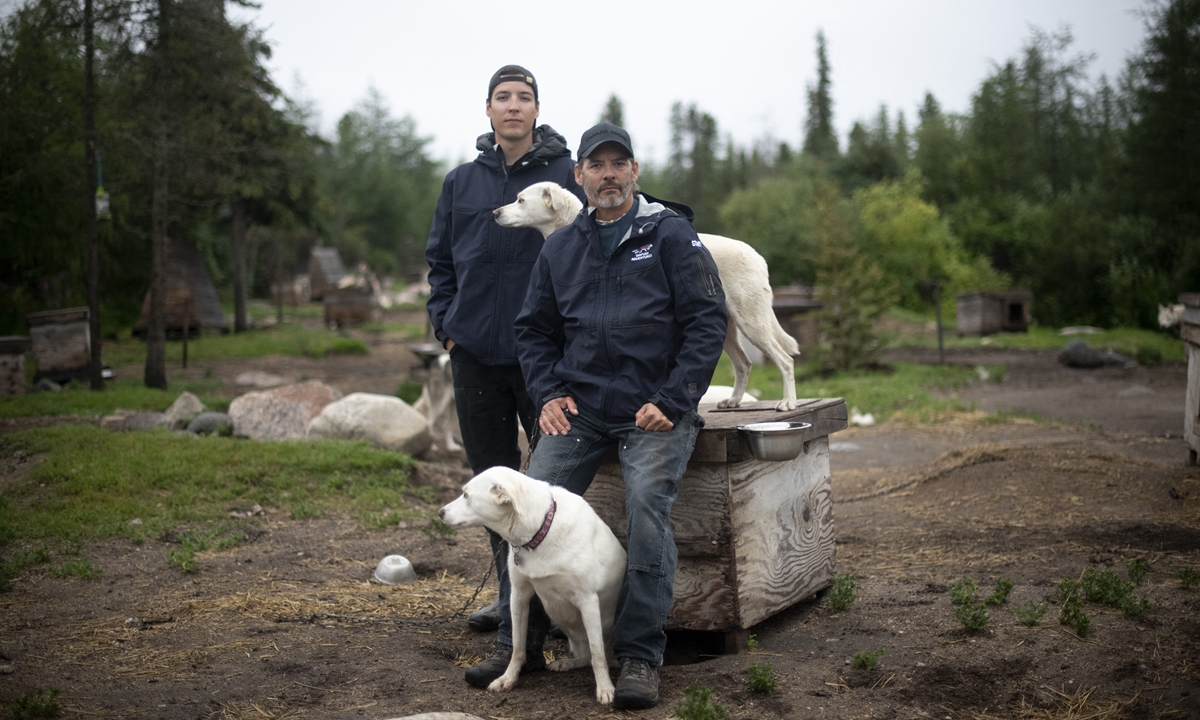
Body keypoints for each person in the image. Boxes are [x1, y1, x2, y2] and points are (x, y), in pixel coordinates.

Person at [506, 122, 727, 709]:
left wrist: (673, 400)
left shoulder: (671, 235)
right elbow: (533, 330)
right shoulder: (561, 246)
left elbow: (707, 321)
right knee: (529, 503)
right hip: (579, 410)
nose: (608, 175)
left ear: (634, 171)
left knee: (647, 507)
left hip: (653, 409)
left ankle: (638, 655)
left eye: (618, 163)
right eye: (596, 165)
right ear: (578, 175)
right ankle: (519, 645)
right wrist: (548, 394)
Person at [425, 66, 584, 638]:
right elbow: (440, 261)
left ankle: (560, 602)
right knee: (491, 481)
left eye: (524, 97)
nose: (513, 106)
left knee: (551, 482)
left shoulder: (566, 175)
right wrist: (447, 328)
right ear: (488, 109)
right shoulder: (461, 182)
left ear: (537, 109)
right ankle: (508, 598)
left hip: (543, 358)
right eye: (503, 97)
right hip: (474, 353)